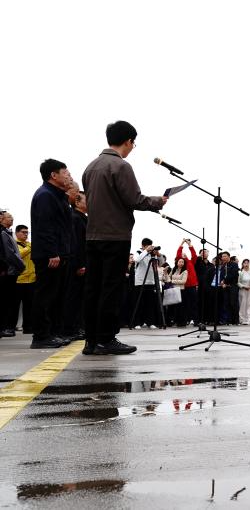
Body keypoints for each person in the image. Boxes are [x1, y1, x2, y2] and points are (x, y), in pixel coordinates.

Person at [81, 122, 167, 355]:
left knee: (93, 288)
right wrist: (158, 201)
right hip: (115, 235)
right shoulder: (120, 166)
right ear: (128, 141)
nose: (133, 147)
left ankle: (91, 341)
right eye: (133, 143)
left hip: (93, 235)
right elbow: (135, 199)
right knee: (111, 288)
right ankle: (106, 339)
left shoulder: (90, 167)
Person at [29, 159, 75, 348]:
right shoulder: (45, 195)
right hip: (50, 255)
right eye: (65, 172)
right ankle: (40, 337)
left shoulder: (58, 195)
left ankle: (53, 333)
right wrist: (52, 252)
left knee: (56, 296)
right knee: (45, 296)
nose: (69, 176)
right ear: (53, 175)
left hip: (59, 253)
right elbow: (44, 227)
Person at [62, 189, 88, 340]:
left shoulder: (82, 218)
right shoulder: (75, 218)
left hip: (83, 263)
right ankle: (71, 328)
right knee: (73, 298)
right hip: (78, 265)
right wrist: (80, 264)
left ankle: (78, 327)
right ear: (77, 202)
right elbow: (76, 244)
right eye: (86, 199)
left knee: (80, 299)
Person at [1, 211, 28, 337]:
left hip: (11, 271)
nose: (11, 219)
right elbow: (9, 254)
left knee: (9, 300)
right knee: (8, 301)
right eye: (9, 217)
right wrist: (21, 265)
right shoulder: (3, 233)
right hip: (9, 271)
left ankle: (7, 327)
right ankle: (7, 327)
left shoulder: (7, 233)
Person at [131, 238, 162, 329]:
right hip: (140, 282)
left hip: (150, 281)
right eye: (148, 246)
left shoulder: (152, 254)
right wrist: (146, 251)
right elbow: (137, 260)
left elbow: (161, 263)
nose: (150, 248)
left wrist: (158, 254)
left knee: (150, 303)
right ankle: (137, 323)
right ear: (143, 245)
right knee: (139, 303)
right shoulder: (138, 252)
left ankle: (150, 322)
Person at [13, 224, 35, 336]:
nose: (25, 234)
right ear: (17, 233)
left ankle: (28, 326)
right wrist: (30, 247)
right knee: (14, 305)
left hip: (31, 280)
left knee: (29, 306)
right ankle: (11, 327)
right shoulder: (15, 244)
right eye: (23, 232)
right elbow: (19, 254)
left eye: (27, 232)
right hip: (18, 280)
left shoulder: (29, 245)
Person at [175, 240, 199, 326]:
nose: (183, 255)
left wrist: (189, 245)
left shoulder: (191, 262)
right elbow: (178, 253)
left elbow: (194, 255)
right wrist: (181, 244)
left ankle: (196, 321)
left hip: (192, 286)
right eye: (182, 255)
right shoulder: (181, 264)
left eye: (184, 254)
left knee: (194, 304)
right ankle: (183, 321)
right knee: (183, 304)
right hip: (183, 286)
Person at [215, 251, 239, 325]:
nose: (224, 258)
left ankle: (235, 320)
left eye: (225, 256)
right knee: (226, 304)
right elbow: (221, 276)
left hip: (232, 286)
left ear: (229, 256)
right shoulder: (222, 266)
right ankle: (229, 320)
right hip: (225, 287)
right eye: (222, 256)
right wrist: (222, 283)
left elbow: (234, 274)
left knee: (233, 303)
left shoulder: (234, 265)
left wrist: (224, 281)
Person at [194, 248, 215, 324]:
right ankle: (199, 320)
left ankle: (208, 320)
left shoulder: (211, 265)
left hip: (209, 287)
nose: (204, 253)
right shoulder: (198, 263)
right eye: (202, 252)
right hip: (199, 286)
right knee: (199, 303)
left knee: (208, 303)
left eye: (205, 252)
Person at [170, 256, 190, 327]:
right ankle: (174, 321)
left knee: (181, 307)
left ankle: (181, 322)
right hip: (173, 290)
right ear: (177, 262)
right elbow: (168, 278)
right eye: (180, 262)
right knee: (173, 307)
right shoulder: (173, 269)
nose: (181, 263)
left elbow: (183, 281)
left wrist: (172, 281)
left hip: (181, 290)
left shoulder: (185, 271)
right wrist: (165, 274)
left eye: (182, 262)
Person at [237, 259, 250, 325]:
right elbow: (238, 283)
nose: (246, 264)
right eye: (245, 263)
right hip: (243, 290)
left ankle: (249, 319)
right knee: (243, 305)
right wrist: (244, 286)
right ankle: (242, 319)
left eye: (247, 263)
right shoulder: (240, 273)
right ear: (242, 264)